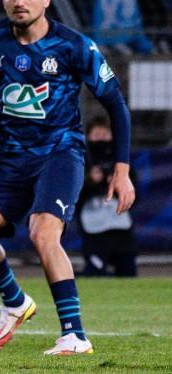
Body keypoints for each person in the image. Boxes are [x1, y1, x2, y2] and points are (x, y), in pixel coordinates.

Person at [0, 0, 135, 356]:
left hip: (60, 154)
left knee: (43, 232)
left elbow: (116, 105)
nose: (19, 1)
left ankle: (75, 334)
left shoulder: (75, 46)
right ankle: (15, 302)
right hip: (11, 159)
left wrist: (122, 168)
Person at [76, 117, 138, 277]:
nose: (101, 138)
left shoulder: (122, 161)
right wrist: (91, 181)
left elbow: (134, 196)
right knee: (95, 273)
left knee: (128, 273)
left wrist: (117, 183)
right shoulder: (80, 160)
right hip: (93, 228)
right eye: (97, 134)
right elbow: (73, 198)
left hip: (120, 226)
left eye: (105, 134)